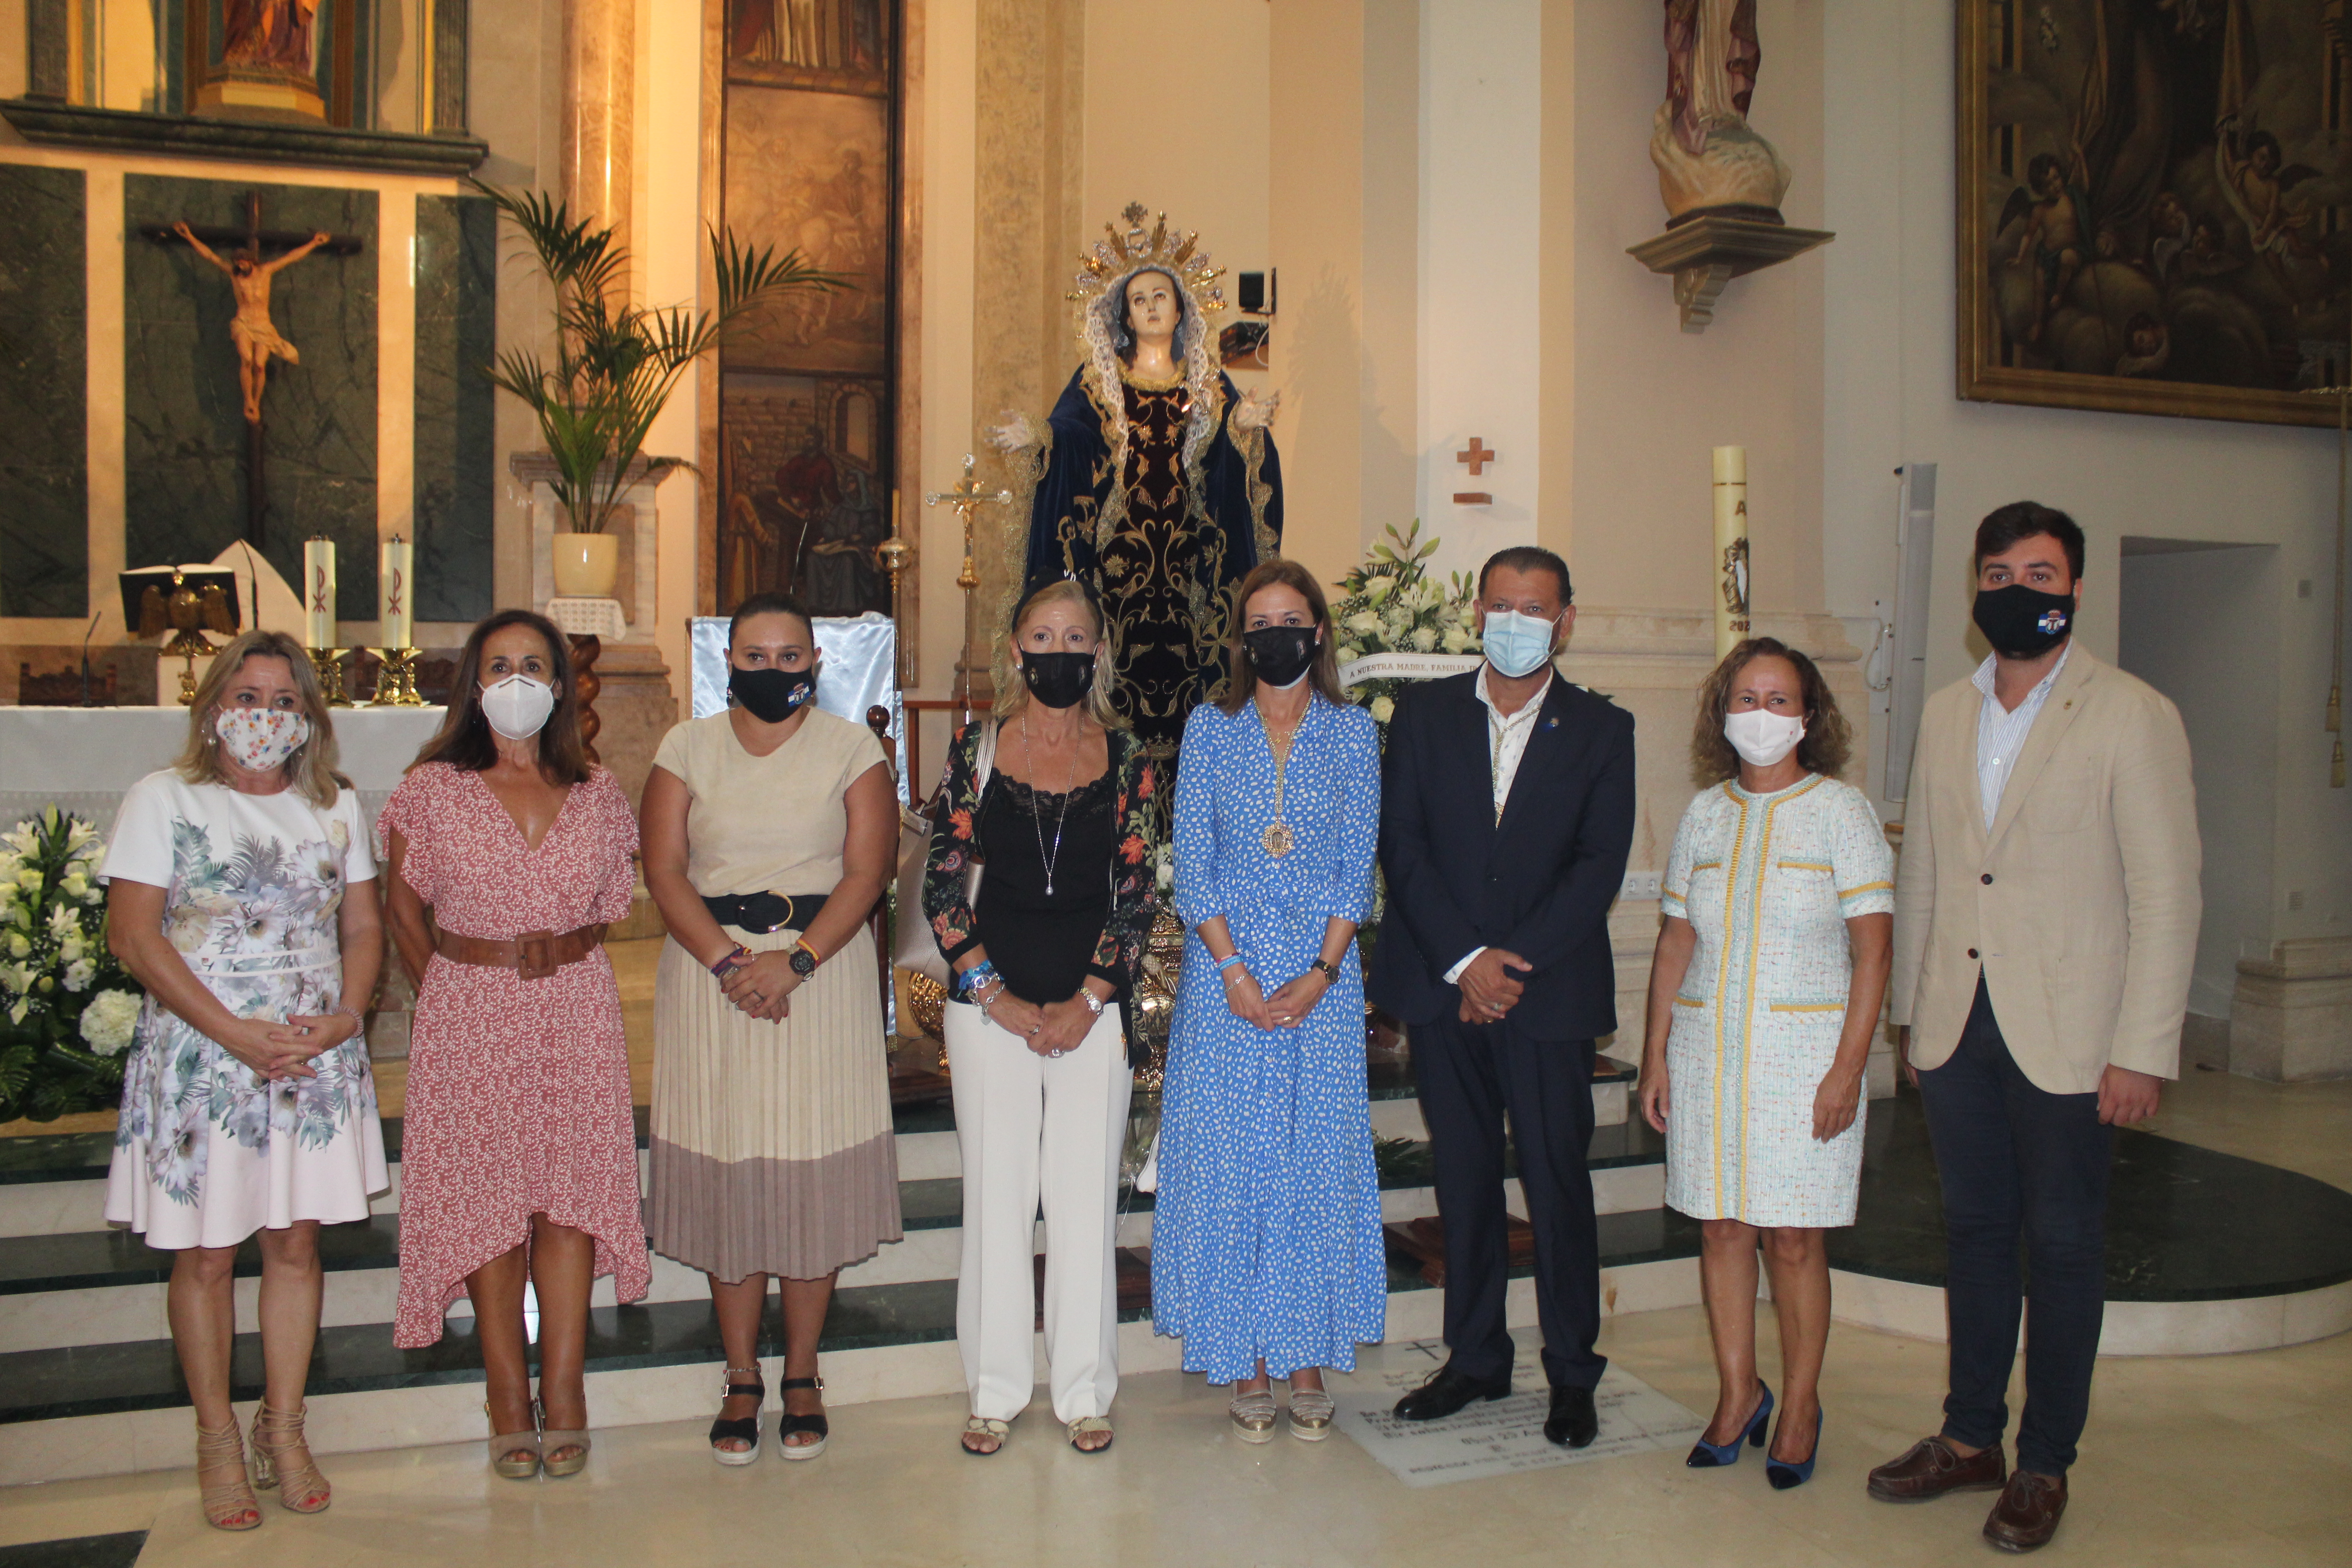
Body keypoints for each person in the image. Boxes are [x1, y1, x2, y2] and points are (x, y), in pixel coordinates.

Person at [1868, 503, 2199, 1553]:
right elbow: (1923, 863)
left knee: (2059, 1242)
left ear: (2074, 590)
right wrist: (1916, 1018)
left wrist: (2141, 1045)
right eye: (1998, 569)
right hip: (1958, 1022)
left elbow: (2167, 891)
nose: (2018, 587)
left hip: (2070, 1026)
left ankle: (2045, 1457)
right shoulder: (1941, 711)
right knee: (1970, 1231)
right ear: (1976, 583)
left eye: (2039, 571)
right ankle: (1971, 1436)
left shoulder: (2130, 712)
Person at [102, 630, 384, 1530]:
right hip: (204, 1050)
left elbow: (365, 930)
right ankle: (218, 1436)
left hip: (306, 1051)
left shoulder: (336, 804)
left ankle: (285, 1427)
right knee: (208, 1252)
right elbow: (134, 936)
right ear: (215, 705)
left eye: (285, 701)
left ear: (309, 719)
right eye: (249, 696)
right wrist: (233, 1033)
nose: (265, 717)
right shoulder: (166, 798)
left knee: (295, 1245)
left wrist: (345, 1017)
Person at [1371, 545, 1635, 1449]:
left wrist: (1507, 965)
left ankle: (1572, 1370)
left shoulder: (1604, 731)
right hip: (1445, 990)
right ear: (1478, 612)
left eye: (1538, 608)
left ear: (1566, 620)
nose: (1518, 623)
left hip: (1546, 994)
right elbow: (1400, 845)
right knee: (1466, 1178)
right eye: (1502, 606)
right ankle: (1476, 1359)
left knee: (1558, 1182)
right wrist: (1463, 963)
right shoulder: (1423, 713)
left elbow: (1597, 865)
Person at [378, 611, 647, 1481]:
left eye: (535, 664)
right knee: (490, 1206)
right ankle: (506, 1399)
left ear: (562, 685)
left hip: (575, 1006)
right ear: (472, 684)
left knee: (566, 1203)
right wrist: (449, 993)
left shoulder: (599, 791)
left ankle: (564, 1394)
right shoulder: (431, 789)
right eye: (499, 665)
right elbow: (399, 911)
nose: (518, 679)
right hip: (469, 1009)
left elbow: (612, 904)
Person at [641, 592, 899, 1465]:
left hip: (817, 976)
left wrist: (792, 962)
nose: (774, 671)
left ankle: (800, 1371)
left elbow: (868, 870)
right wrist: (726, 962)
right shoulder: (686, 746)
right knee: (731, 1165)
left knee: (809, 1165)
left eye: (791, 657)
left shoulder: (851, 747)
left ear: (815, 665)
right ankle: (740, 1373)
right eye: (756, 656)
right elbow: (665, 869)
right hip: (712, 976)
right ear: (728, 662)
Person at [1635, 638, 1892, 1490]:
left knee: (1790, 1237)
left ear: (1808, 717)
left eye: (1778, 699)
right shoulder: (1705, 814)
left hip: (1802, 1060)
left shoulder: (1839, 812)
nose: (1760, 714)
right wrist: (1653, 1056)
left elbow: (1873, 952)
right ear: (1722, 714)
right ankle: (1738, 1392)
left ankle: (1800, 1405)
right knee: (1718, 1226)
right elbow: (1675, 942)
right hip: (1708, 1052)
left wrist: (1847, 1069)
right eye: (1745, 697)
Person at [921, 579, 1159, 1456]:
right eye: (1040, 636)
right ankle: (991, 1387)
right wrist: (998, 996)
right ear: (1015, 649)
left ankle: (1084, 1390)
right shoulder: (974, 751)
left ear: (1098, 652)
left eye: (1075, 637)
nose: (1057, 651)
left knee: (1082, 1198)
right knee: (997, 1195)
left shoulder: (1128, 757)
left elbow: (1135, 892)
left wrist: (1090, 999)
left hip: (1092, 1008)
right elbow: (942, 882)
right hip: (989, 1008)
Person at [1150, 558, 1383, 1442]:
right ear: (1244, 640)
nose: (1275, 634)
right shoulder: (1212, 730)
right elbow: (1192, 861)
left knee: (1312, 1163)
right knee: (1233, 1161)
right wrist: (1237, 972)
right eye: (1260, 622)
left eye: (1291, 619)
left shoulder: (1353, 734)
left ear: (1317, 633)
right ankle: (1246, 1355)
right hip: (1227, 976)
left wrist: (1321, 975)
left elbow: (1353, 860)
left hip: (1321, 978)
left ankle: (1308, 1352)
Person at [995, 230, 1282, 764]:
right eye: (1139, 300)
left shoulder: (1210, 386)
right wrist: (1042, 437)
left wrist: (1241, 430)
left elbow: (1226, 463)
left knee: (1195, 689)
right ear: (1125, 316)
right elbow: (1073, 435)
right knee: (1111, 688)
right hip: (1116, 577)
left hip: (1189, 576)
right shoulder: (1099, 383)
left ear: (1180, 311)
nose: (1151, 308)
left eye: (1161, 297)